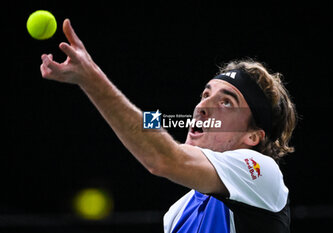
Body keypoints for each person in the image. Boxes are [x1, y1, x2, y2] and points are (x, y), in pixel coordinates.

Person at [40, 19, 297, 233]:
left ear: (253, 136)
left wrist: (90, 78)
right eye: (205, 95)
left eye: (227, 103)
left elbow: (163, 159)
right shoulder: (176, 214)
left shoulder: (264, 174)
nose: (202, 107)